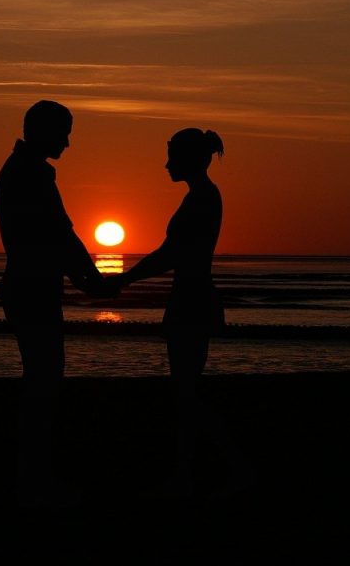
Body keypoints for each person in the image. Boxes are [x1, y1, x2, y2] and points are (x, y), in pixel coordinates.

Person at [108, 128, 247, 497]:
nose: (166, 163)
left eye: (172, 156)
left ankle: (224, 466)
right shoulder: (200, 196)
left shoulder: (202, 198)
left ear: (188, 159)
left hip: (192, 298)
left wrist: (125, 279)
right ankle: (189, 470)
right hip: (190, 295)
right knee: (184, 390)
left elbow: (171, 254)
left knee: (185, 392)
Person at [0, 99, 110, 508]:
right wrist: (91, 280)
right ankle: (35, 479)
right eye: (64, 133)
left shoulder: (21, 170)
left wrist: (85, 278)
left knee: (41, 380)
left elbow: (56, 236)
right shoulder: (31, 174)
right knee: (44, 382)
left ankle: (33, 474)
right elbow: (58, 234)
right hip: (32, 289)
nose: (68, 143)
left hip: (28, 286)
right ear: (43, 131)